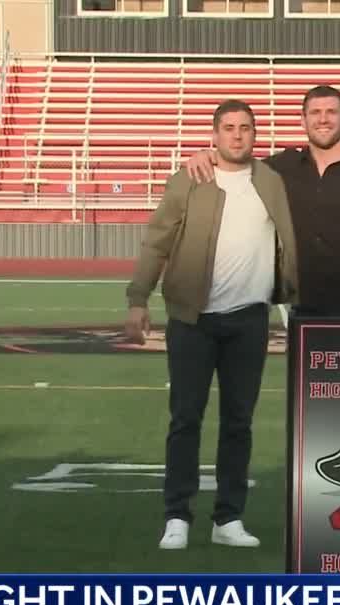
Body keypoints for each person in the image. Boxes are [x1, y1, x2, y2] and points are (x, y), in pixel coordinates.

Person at [126, 99, 299, 551]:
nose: (237, 135)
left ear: (255, 135)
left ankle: (229, 517)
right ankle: (177, 516)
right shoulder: (189, 179)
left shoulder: (272, 182)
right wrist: (137, 298)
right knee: (185, 419)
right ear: (214, 135)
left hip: (249, 321)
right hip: (192, 320)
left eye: (245, 127)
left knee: (238, 423)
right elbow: (157, 241)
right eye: (228, 128)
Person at [187, 85, 340, 318]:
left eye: (331, 112)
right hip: (303, 309)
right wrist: (208, 155)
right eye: (315, 112)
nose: (323, 119)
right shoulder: (283, 167)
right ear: (302, 120)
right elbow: (238, 164)